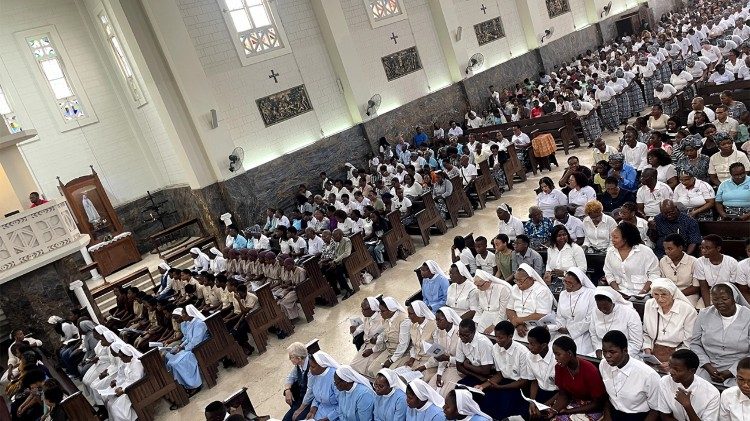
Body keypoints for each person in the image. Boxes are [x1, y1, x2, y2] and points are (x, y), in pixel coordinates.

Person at [529, 336, 606, 420]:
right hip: (573, 401)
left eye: (558, 354)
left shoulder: (590, 370)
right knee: (540, 415)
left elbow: (598, 403)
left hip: (591, 406)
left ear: (569, 353)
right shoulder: (559, 368)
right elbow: (563, 394)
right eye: (554, 354)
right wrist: (555, 410)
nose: (555, 358)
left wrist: (569, 411)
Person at [690, 283, 750, 387]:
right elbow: (695, 344)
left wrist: (731, 372)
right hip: (707, 368)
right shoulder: (704, 314)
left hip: (740, 370)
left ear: (734, 298)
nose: (719, 302)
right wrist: (707, 366)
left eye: (724, 298)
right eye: (715, 299)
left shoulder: (748, 317)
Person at [599, 330, 661, 420]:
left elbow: (656, 410)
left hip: (638, 416)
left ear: (625, 351)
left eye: (612, 352)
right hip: (614, 413)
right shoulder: (604, 365)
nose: (607, 356)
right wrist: (607, 415)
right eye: (604, 351)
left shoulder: (648, 375)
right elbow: (609, 396)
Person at [642, 279, 698, 365]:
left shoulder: (687, 310)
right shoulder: (649, 304)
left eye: (664, 295)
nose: (660, 299)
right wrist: (647, 352)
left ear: (672, 295)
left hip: (678, 355)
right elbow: (646, 333)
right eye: (656, 294)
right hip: (652, 352)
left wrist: (672, 362)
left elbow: (689, 342)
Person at [656, 349, 721, 421]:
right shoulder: (665, 381)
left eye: (677, 369)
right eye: (670, 367)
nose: (671, 372)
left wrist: (687, 406)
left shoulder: (712, 394)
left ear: (692, 371)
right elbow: (665, 416)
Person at [604, 222, 659, 296]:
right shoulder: (611, 252)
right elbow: (608, 273)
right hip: (619, 293)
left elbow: (654, 274)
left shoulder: (645, 251)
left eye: (616, 237)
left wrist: (643, 292)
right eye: (612, 237)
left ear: (626, 238)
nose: (612, 240)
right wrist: (618, 291)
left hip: (643, 294)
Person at [552, 268, 597, 355]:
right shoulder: (563, 294)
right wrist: (557, 327)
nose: (566, 285)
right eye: (565, 282)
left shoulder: (591, 294)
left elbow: (590, 319)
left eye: (570, 283)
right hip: (563, 333)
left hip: (583, 334)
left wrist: (569, 330)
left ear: (579, 282)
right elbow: (560, 317)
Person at [165, 306, 208, 396]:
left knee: (177, 363)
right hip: (191, 348)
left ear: (189, 314)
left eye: (184, 313)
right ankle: (185, 384)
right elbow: (187, 339)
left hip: (198, 349)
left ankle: (194, 385)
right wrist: (180, 346)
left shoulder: (199, 323)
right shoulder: (190, 323)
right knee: (170, 361)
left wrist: (184, 348)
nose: (182, 315)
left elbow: (196, 342)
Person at [589, 287, 643, 358]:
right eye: (600, 308)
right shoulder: (595, 311)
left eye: (605, 308)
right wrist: (598, 349)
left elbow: (636, 343)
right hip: (603, 354)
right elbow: (593, 335)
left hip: (626, 354)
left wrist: (617, 356)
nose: (603, 311)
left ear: (612, 302)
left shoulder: (629, 313)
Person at [507, 263, 554, 341]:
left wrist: (520, 321)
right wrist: (517, 324)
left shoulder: (541, 291)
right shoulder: (514, 288)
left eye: (521, 281)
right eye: (516, 280)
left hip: (535, 326)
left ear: (530, 278)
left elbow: (541, 315)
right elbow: (509, 309)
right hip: (515, 323)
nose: (518, 284)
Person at [366, 297, 412, 377]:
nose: (380, 313)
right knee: (371, 370)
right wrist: (373, 349)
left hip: (403, 353)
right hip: (390, 350)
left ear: (391, 310)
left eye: (382, 311)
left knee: (388, 376)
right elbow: (384, 333)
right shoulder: (386, 319)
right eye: (379, 311)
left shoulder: (404, 321)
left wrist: (391, 360)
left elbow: (403, 345)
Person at [695, 234, 740, 308]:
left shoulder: (731, 262)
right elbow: (703, 287)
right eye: (702, 248)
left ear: (718, 248)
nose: (703, 251)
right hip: (710, 293)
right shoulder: (699, 262)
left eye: (707, 248)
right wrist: (708, 307)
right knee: (700, 310)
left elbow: (733, 286)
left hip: (728, 294)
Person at [659, 234, 702, 307]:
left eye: (670, 249)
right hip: (668, 293)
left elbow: (696, 287)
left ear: (680, 248)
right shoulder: (663, 261)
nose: (666, 252)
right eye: (665, 249)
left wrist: (677, 295)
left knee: (685, 308)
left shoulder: (694, 262)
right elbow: (663, 282)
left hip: (688, 294)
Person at [106, 345, 144, 421]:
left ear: (127, 356)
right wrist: (120, 387)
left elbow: (136, 382)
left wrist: (123, 390)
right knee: (110, 403)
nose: (120, 359)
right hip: (126, 388)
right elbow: (127, 379)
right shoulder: (128, 363)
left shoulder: (137, 364)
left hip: (133, 391)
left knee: (115, 407)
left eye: (121, 357)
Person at [403, 301, 438, 380]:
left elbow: (437, 353)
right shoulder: (414, 325)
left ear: (419, 313)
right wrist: (412, 358)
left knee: (418, 382)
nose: (408, 316)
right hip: (417, 360)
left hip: (430, 363)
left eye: (411, 314)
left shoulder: (434, 326)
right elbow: (413, 346)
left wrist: (425, 366)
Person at [454, 319, 493, 387]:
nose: (462, 338)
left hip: (490, 375)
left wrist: (466, 365)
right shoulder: (461, 340)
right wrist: (477, 376)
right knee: (458, 387)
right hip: (475, 374)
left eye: (466, 335)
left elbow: (486, 371)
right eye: (460, 334)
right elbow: (459, 366)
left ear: (474, 332)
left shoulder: (483, 343)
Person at [351, 297, 384, 374]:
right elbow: (362, 328)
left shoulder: (382, 319)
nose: (362, 311)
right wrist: (354, 331)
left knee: (369, 370)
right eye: (361, 309)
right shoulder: (366, 318)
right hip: (366, 346)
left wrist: (372, 349)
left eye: (364, 309)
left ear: (372, 308)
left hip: (378, 347)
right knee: (353, 366)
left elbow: (384, 336)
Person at [526, 326, 558, 407]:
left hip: (556, 395)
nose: (529, 347)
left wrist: (543, 407)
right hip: (539, 392)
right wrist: (532, 402)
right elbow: (534, 381)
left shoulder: (557, 360)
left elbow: (563, 391)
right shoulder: (529, 356)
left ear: (543, 345)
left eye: (532, 344)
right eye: (529, 343)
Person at [307, 351, 341, 421]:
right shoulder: (316, 375)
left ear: (321, 366)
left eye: (312, 367)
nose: (310, 369)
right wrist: (313, 410)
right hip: (319, 413)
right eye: (309, 366)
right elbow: (317, 396)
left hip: (336, 416)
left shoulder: (336, 378)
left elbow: (343, 405)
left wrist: (328, 418)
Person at [283, 342, 313, 421]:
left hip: (310, 401)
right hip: (301, 399)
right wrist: (287, 390)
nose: (290, 359)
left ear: (299, 358)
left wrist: (300, 409)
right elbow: (290, 377)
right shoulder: (299, 365)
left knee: (297, 418)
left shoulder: (312, 366)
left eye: (291, 357)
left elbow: (310, 392)